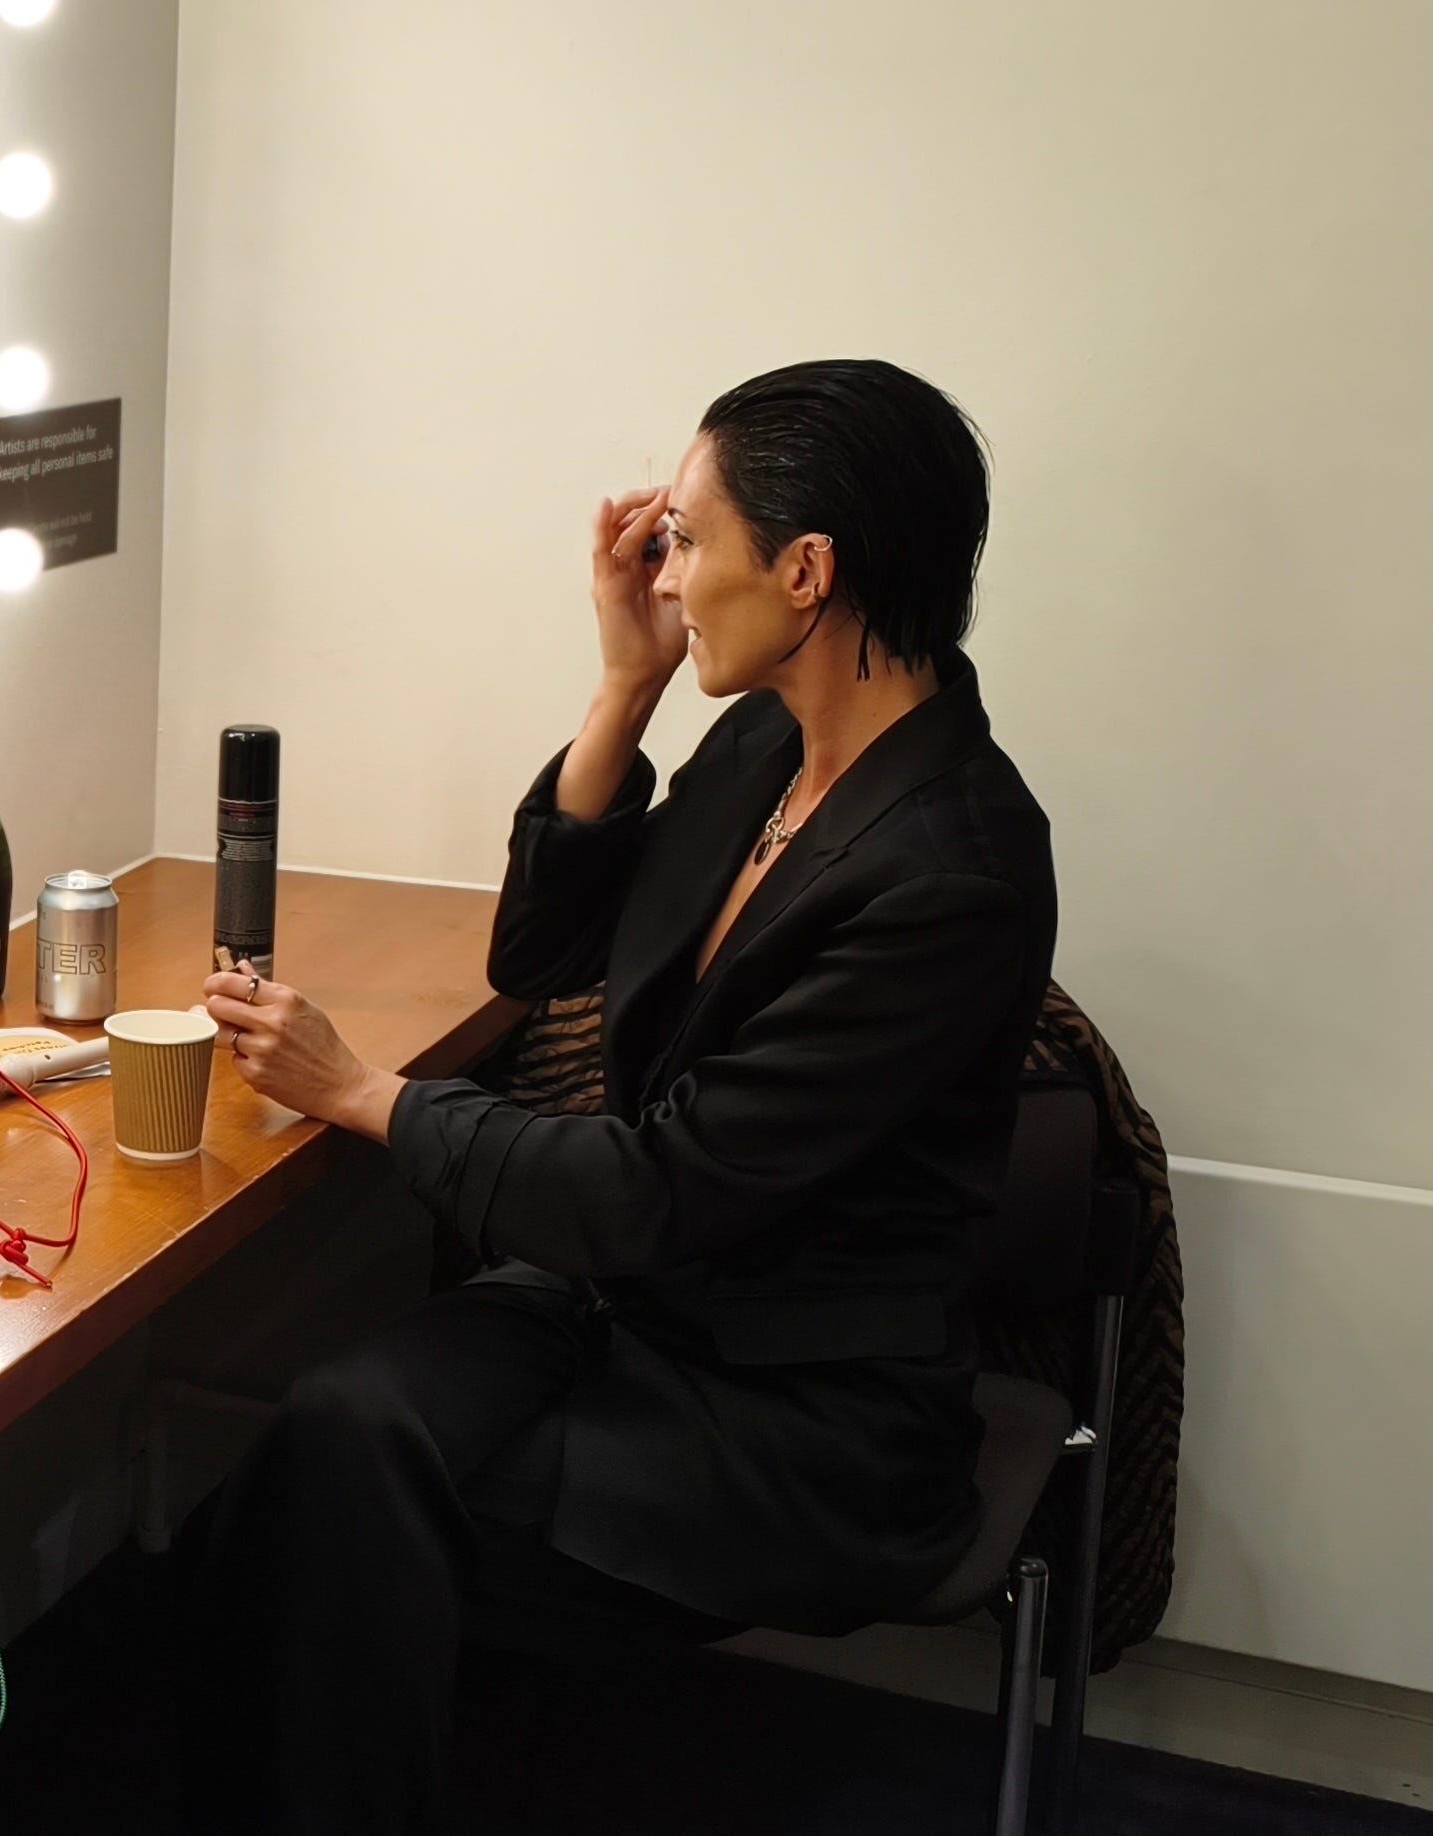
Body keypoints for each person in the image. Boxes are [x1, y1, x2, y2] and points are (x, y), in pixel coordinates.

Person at [180, 359, 1058, 1832]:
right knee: (323, 1442)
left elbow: (662, 1189)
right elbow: (540, 954)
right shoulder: (767, 744)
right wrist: (625, 686)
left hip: (796, 1404)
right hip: (637, 1309)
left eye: (690, 540)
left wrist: (365, 1094)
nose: (666, 572)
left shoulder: (951, 871)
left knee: (329, 1520)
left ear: (807, 571)